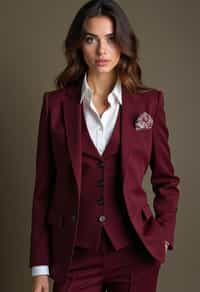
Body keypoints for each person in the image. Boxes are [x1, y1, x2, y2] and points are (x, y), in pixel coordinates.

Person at [29, 0, 181, 291]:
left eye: (111, 39)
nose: (102, 50)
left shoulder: (149, 103)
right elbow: (43, 191)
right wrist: (40, 267)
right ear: (78, 45)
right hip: (73, 253)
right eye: (91, 39)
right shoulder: (55, 105)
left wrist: (162, 235)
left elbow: (166, 180)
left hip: (135, 252)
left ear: (124, 43)